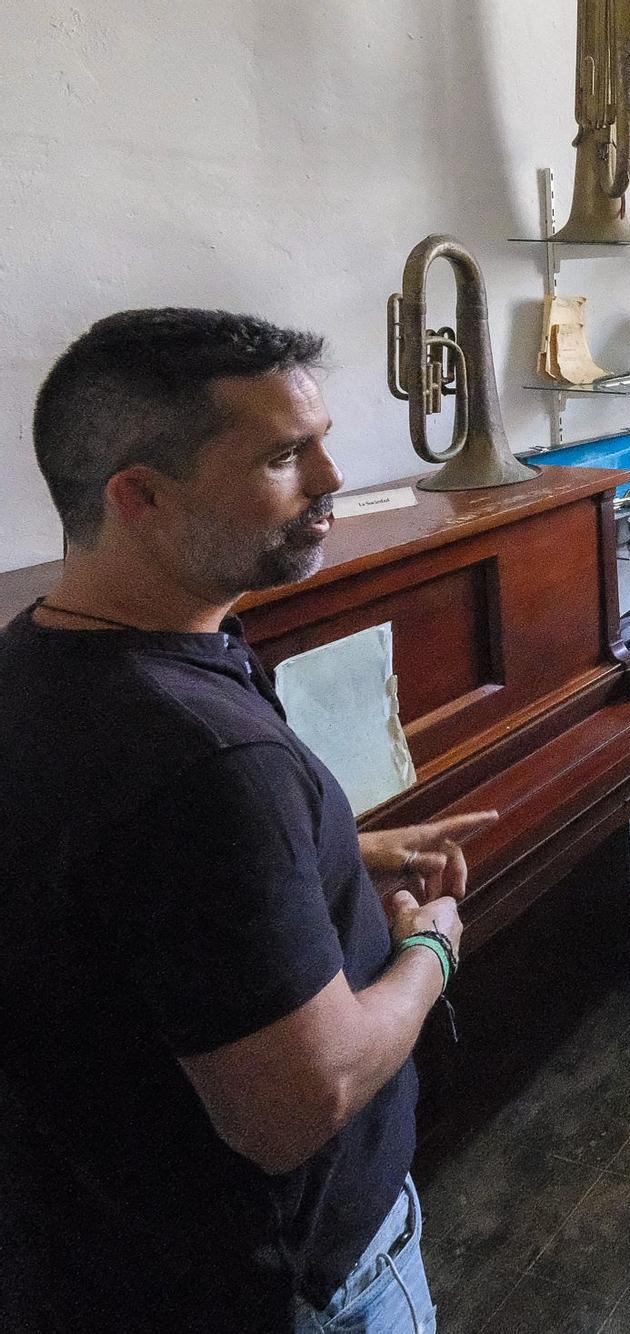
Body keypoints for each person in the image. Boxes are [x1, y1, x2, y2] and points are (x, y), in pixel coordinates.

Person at [0, 308, 497, 1330]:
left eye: (319, 442)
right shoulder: (202, 759)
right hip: (300, 1283)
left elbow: (118, 890)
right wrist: (430, 949)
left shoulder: (37, 657)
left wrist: (333, 853)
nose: (330, 481)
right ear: (137, 496)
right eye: (284, 456)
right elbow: (294, 1106)